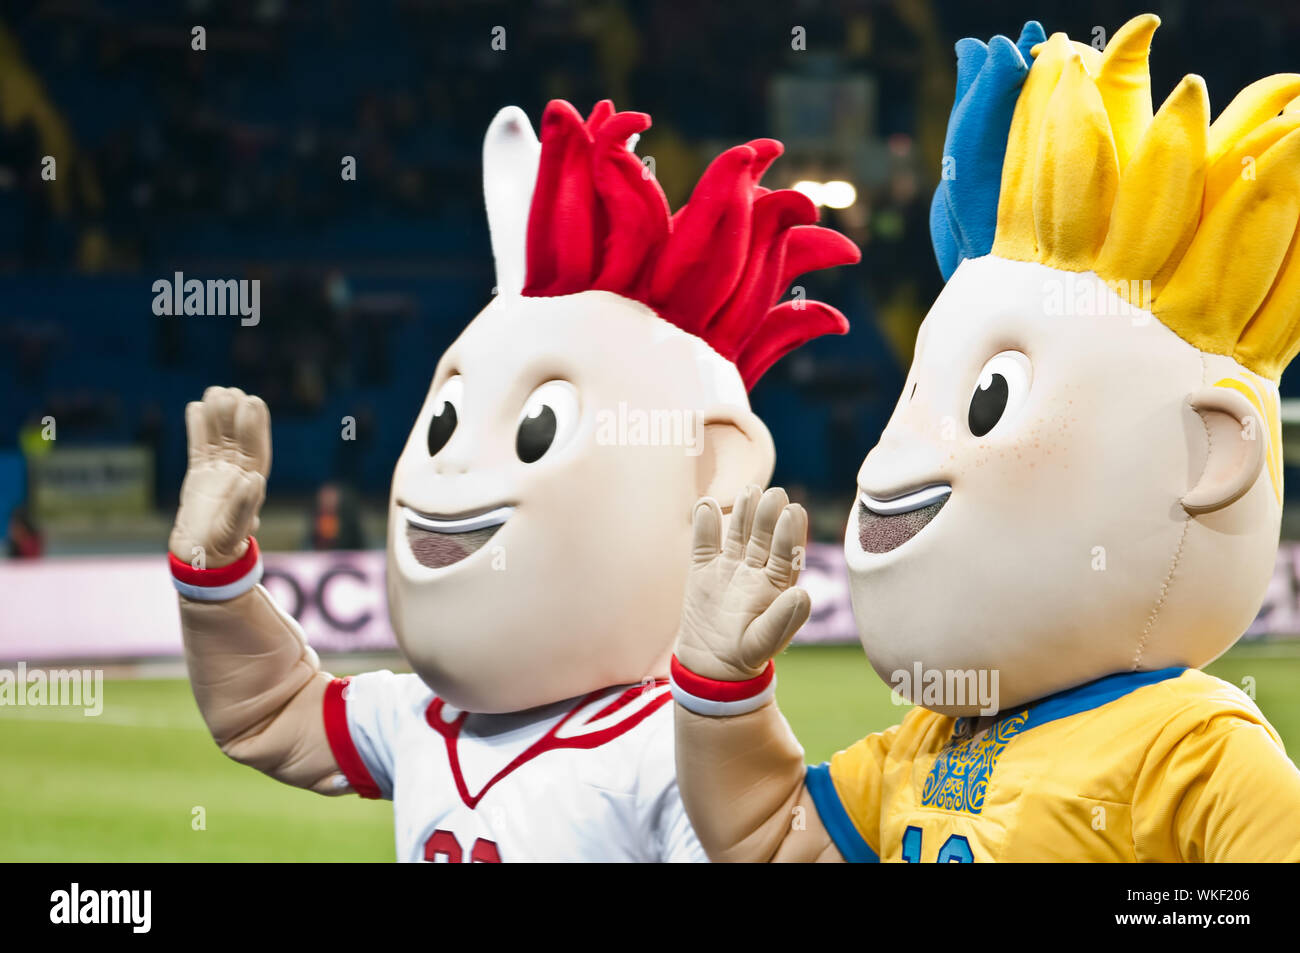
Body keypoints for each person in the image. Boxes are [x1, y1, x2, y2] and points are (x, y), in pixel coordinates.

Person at [670, 16, 1300, 862]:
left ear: (1213, 454)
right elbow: (772, 840)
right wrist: (722, 691)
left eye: (987, 398)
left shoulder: (1196, 748)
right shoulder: (929, 738)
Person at [166, 99, 858, 862]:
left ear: (710, 469)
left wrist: (727, 698)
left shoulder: (669, 754)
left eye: (535, 429)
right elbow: (272, 711)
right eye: (444, 423)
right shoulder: (425, 717)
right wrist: (215, 582)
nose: (454, 461)